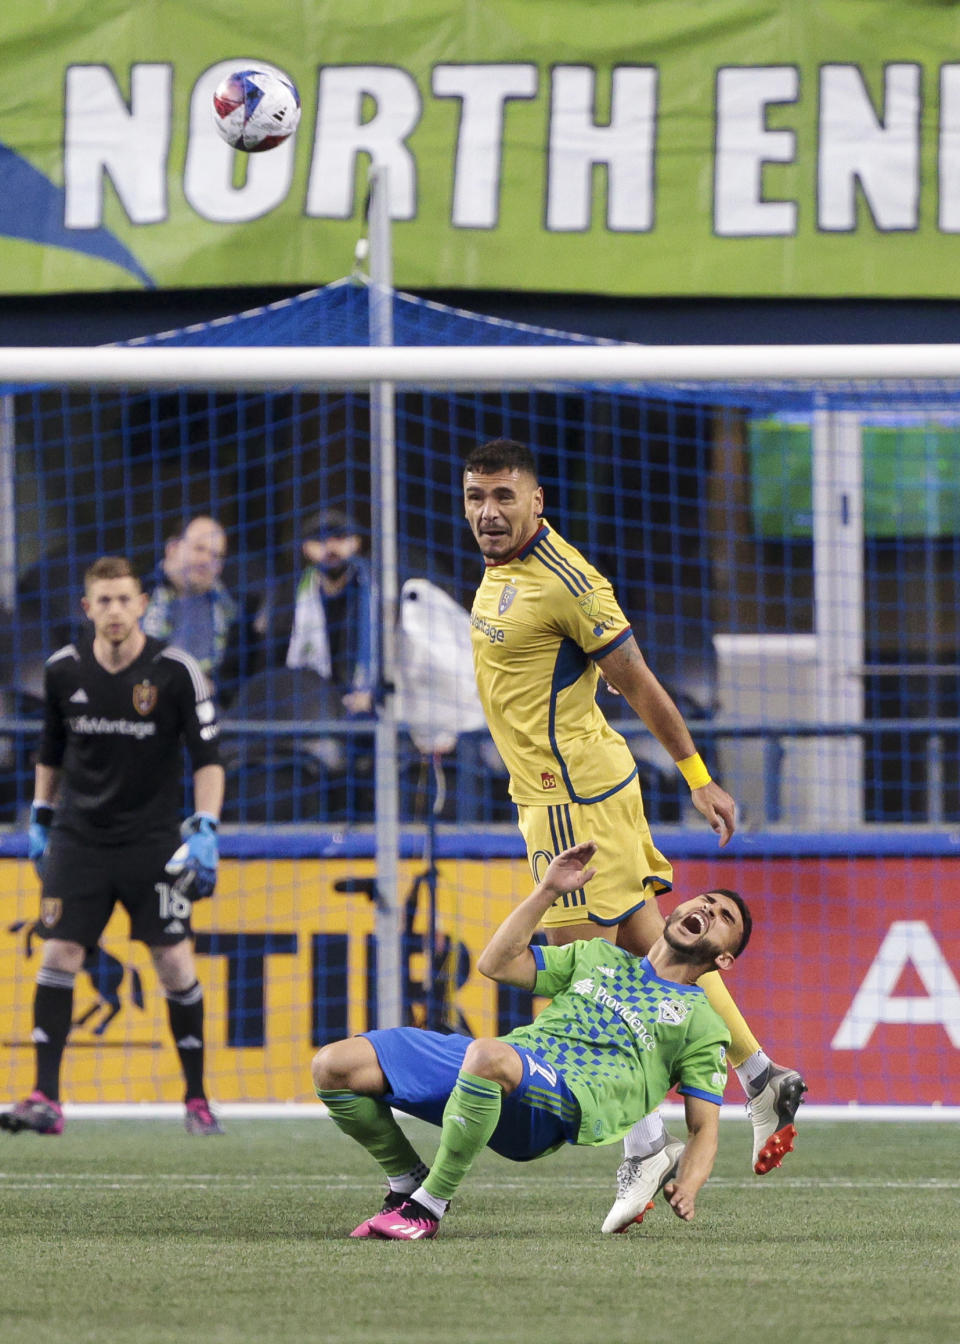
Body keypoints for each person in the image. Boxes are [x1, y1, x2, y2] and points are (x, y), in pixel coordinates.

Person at [460, 438, 805, 1225]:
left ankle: (645, 1141)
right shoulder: (501, 569)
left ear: (537, 500)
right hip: (553, 791)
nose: (488, 510)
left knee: (584, 975)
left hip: (574, 797)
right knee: (651, 944)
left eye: (505, 496)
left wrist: (697, 777)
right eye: (477, 495)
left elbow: (638, 680)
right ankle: (761, 1076)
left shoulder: (570, 583)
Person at [313, 840, 749, 1240]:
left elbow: (703, 1129)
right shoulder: (596, 956)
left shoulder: (703, 1024)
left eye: (724, 917)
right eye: (706, 902)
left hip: (568, 1100)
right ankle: (405, 1179)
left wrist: (688, 1185)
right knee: (334, 1065)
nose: (709, 911)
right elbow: (496, 964)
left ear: (724, 958)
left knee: (487, 1053)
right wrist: (547, 893)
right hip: (508, 1064)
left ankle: (427, 1206)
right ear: (674, 911)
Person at [0, 556, 225, 1137]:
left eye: (125, 599)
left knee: (175, 964)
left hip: (152, 842)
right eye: (103, 601)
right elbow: (50, 753)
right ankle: (45, 1097)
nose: (115, 610)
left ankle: (197, 1099)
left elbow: (208, 761)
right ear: (87, 608)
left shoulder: (177, 671)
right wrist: (41, 818)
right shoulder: (62, 671)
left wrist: (205, 827)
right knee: (58, 957)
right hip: (80, 840)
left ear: (143, 603)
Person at [283, 508, 375, 715]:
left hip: (366, 709)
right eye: (320, 539)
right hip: (310, 707)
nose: (331, 546)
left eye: (340, 537)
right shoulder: (289, 599)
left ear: (356, 542)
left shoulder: (375, 590)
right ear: (306, 548)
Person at [142, 515, 239, 699]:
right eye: (199, 549)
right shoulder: (136, 594)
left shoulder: (231, 611)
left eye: (216, 555)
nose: (206, 560)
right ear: (172, 548)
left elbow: (234, 681)